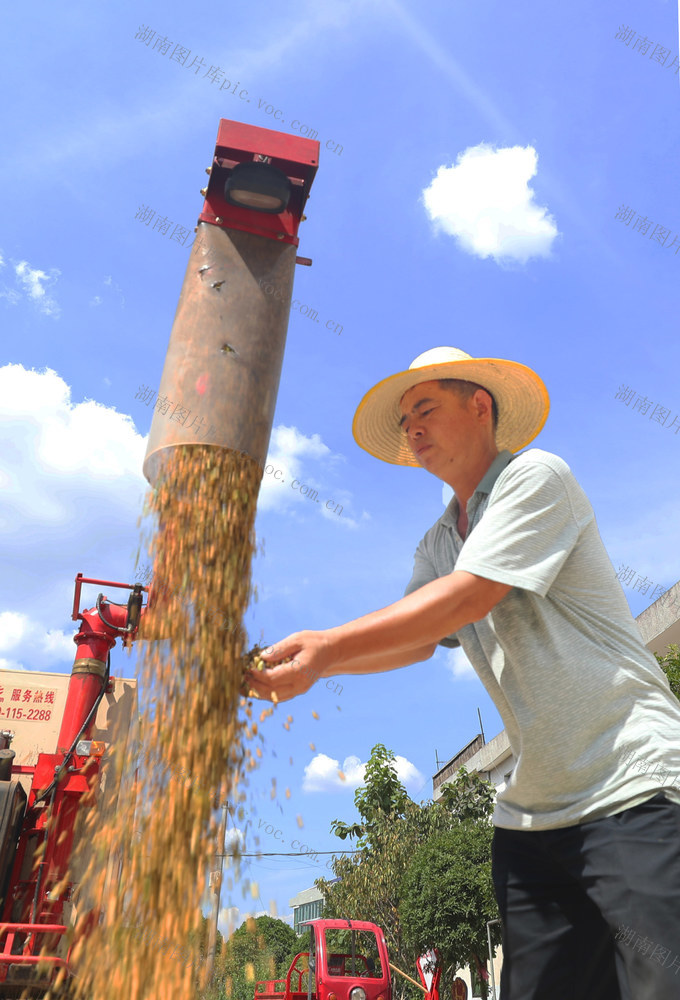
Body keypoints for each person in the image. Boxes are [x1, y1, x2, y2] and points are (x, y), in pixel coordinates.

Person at [245, 346, 680, 999]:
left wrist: (328, 647)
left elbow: (472, 593)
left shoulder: (538, 476)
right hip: (533, 821)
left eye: (426, 408)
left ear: (480, 406)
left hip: (631, 787)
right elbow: (420, 638)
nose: (413, 429)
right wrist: (308, 668)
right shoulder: (438, 542)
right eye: (406, 419)